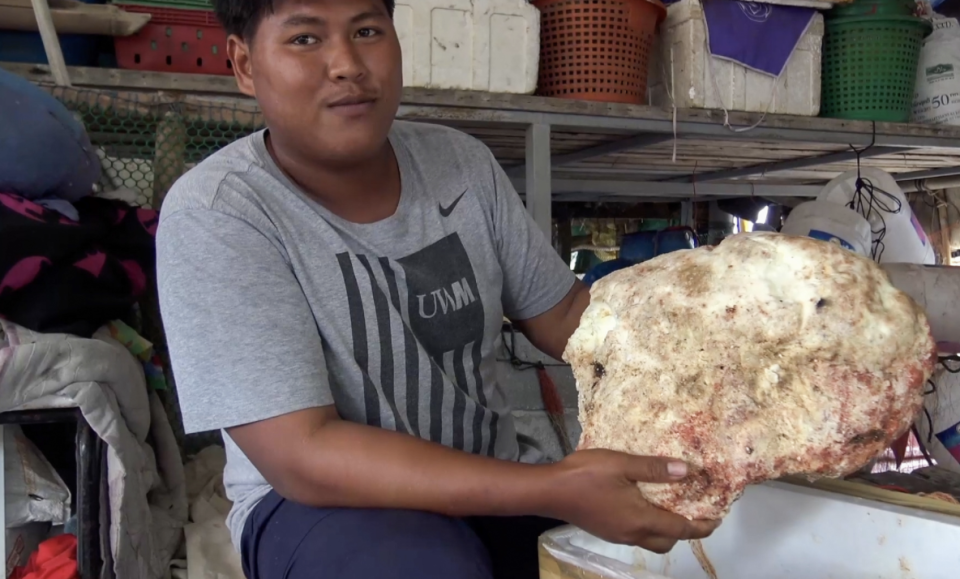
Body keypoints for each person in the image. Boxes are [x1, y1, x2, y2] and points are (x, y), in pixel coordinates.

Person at [155, 1, 719, 577]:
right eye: (305, 39)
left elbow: (572, 318)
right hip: (316, 508)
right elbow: (304, 454)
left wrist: (717, 358)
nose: (348, 63)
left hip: (488, 481)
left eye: (368, 31)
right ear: (245, 63)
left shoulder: (461, 164)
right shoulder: (219, 212)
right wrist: (555, 486)